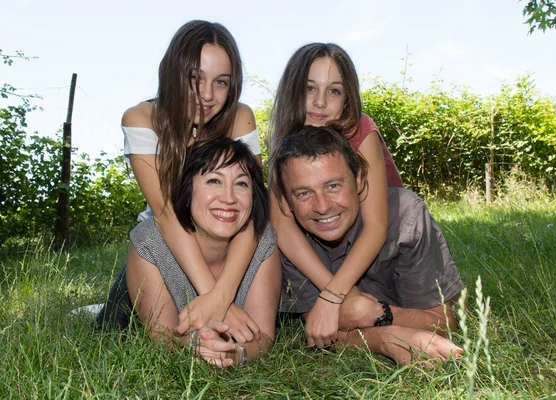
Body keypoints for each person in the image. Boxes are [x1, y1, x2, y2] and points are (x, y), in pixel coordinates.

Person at [271, 126, 464, 365]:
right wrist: (385, 338)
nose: (322, 206)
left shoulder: (406, 216)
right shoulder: (292, 242)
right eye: (303, 194)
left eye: (333, 186)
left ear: (359, 179)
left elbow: (445, 322)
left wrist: (376, 312)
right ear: (286, 201)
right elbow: (323, 331)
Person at [121, 20, 262, 339]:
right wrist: (219, 299)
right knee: (119, 328)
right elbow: (166, 215)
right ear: (172, 71)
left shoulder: (240, 117)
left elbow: (253, 209)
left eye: (221, 82)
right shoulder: (141, 118)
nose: (208, 95)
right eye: (195, 78)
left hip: (225, 255)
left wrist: (221, 297)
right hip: (163, 250)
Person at [96, 138, 280, 367]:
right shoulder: (149, 241)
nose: (229, 198)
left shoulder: (262, 239)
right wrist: (198, 348)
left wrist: (234, 354)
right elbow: (162, 339)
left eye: (241, 184)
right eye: (214, 180)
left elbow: (263, 336)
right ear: (187, 189)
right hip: (124, 317)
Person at [268, 43, 403, 346]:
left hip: (378, 239)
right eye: (309, 88)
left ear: (347, 99)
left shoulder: (361, 130)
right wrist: (337, 293)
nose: (319, 102)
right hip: (323, 241)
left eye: (334, 91)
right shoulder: (286, 142)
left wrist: (331, 297)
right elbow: (282, 226)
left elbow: (377, 226)